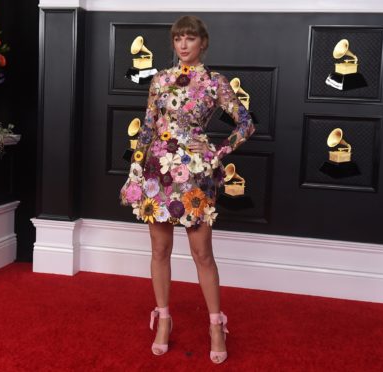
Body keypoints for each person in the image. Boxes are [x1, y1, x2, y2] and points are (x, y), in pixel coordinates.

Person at [120, 15, 255, 364]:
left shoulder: (214, 83)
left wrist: (216, 151)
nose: (183, 45)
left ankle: (215, 325)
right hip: (157, 173)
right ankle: (163, 318)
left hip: (195, 175)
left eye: (190, 38)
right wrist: (135, 170)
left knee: (201, 253)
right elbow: (148, 128)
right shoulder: (160, 80)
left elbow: (245, 123)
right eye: (178, 38)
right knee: (159, 249)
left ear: (202, 43)